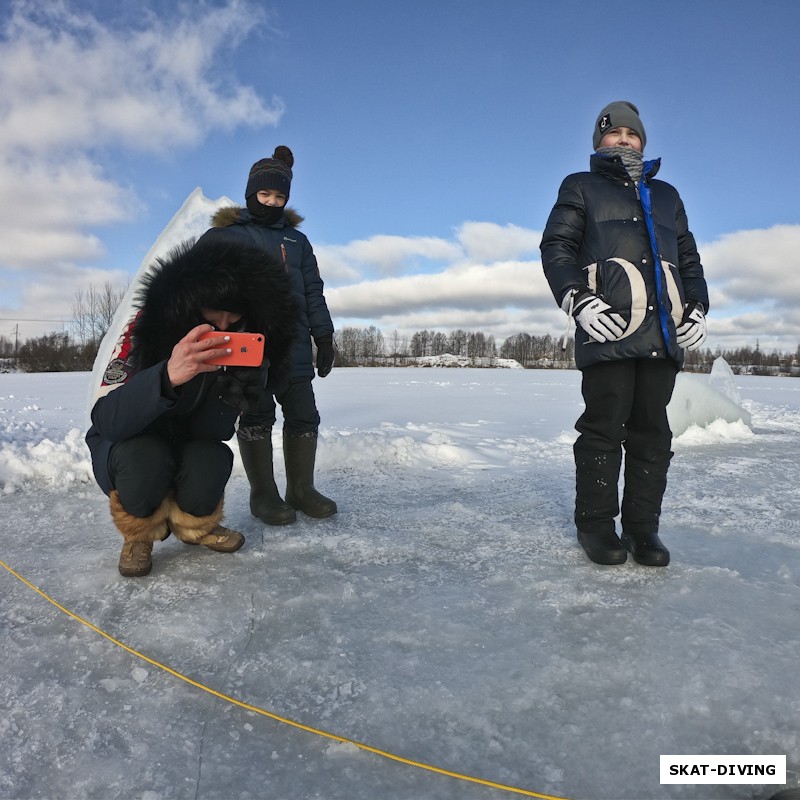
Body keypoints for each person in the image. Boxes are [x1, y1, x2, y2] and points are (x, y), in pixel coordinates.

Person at [540, 100, 709, 567]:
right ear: (599, 142)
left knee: (653, 432)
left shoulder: (669, 195)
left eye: (631, 134)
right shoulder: (581, 186)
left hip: (662, 334)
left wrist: (697, 306)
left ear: (642, 141)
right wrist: (577, 298)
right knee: (603, 427)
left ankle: (642, 529)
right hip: (610, 328)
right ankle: (595, 526)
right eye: (613, 133)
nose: (623, 140)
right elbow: (557, 246)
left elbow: (689, 259)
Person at [86, 237, 296, 577]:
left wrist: (234, 393)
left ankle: (196, 528)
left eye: (235, 312)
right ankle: (139, 534)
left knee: (211, 458)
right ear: (192, 301)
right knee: (144, 456)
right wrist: (166, 377)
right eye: (214, 309)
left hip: (186, 443)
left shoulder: (242, 345)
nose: (225, 323)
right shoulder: (143, 331)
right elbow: (108, 421)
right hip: (127, 445)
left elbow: (211, 434)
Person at [197, 145, 337, 526]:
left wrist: (323, 337)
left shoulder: (297, 242)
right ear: (250, 193)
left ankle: (301, 490)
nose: (272, 202)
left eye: (279, 196)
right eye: (265, 194)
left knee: (304, 415)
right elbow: (194, 287)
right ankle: (264, 494)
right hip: (247, 347)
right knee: (256, 415)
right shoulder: (224, 236)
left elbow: (312, 292)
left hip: (292, 343)